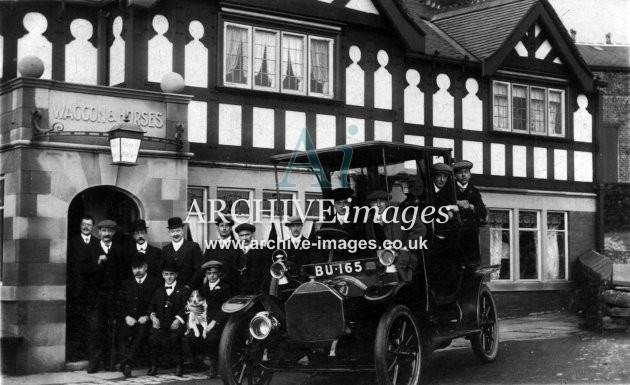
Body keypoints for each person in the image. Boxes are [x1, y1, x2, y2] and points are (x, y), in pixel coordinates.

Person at [183, 260, 232, 379]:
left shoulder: (226, 288)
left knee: (212, 338)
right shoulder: (202, 289)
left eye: (215, 273)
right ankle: (200, 360)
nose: (212, 275)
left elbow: (226, 308)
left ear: (219, 273)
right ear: (206, 274)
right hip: (204, 321)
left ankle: (214, 365)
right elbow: (192, 305)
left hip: (220, 322)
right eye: (209, 273)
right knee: (190, 338)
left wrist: (214, 322)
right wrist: (190, 312)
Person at [364, 190, 426, 282]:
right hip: (382, 258)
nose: (378, 205)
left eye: (381, 201)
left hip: (403, 256)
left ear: (386, 203)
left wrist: (406, 247)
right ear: (370, 205)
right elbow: (371, 241)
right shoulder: (369, 222)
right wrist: (376, 250)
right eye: (374, 202)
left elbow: (420, 228)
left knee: (396, 278)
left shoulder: (400, 214)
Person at [116, 254, 161, 377]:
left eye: (140, 267)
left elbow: (157, 303)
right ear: (131, 269)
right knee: (123, 332)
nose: (138, 271)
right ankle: (125, 361)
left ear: (146, 267)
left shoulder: (155, 282)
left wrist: (147, 316)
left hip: (147, 319)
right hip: (130, 319)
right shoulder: (126, 283)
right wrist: (127, 317)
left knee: (142, 332)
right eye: (135, 268)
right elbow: (120, 304)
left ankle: (127, 363)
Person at [86, 219, 119, 373]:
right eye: (104, 231)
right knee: (96, 329)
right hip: (97, 296)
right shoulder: (91, 248)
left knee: (110, 329)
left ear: (113, 233)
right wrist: (97, 263)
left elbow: (122, 274)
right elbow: (84, 272)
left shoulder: (118, 250)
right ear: (99, 232)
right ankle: (94, 363)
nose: (107, 234)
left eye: (110, 231)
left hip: (112, 296)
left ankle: (108, 363)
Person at [67, 214, 100, 362]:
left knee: (91, 325)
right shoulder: (71, 242)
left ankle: (90, 355)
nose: (86, 227)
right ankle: (75, 355)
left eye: (89, 224)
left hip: (92, 293)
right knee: (75, 324)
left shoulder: (97, 243)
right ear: (80, 226)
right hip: (75, 292)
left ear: (93, 227)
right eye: (84, 224)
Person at [147, 260, 188, 376]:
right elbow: (151, 307)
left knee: (175, 337)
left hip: (175, 323)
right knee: (153, 337)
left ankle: (179, 365)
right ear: (162, 275)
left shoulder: (183, 290)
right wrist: (153, 317)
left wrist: (178, 320)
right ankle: (154, 365)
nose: (169, 277)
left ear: (176, 275)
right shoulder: (159, 291)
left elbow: (186, 307)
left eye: (171, 274)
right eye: (166, 274)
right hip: (161, 323)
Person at [453, 160, 487, 263]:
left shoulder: (474, 191)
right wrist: (457, 202)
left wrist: (471, 207)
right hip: (454, 233)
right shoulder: (450, 189)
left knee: (471, 263)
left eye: (466, 172)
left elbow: (483, 211)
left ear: (470, 175)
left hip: (470, 234)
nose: (463, 175)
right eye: (460, 172)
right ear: (455, 175)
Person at [199, 215, 239, 290]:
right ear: (217, 228)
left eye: (227, 226)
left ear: (230, 228)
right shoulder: (211, 245)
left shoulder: (238, 245)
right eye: (221, 226)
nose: (224, 228)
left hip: (232, 286)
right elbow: (204, 265)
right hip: (212, 286)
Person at [162, 217, 203, 288]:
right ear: (169, 232)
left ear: (182, 231)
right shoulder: (165, 249)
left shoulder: (193, 246)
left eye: (178, 230)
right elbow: (162, 270)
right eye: (172, 231)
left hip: (189, 288)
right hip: (171, 290)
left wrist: (189, 286)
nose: (175, 234)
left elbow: (199, 270)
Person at [234, 223, 271, 295]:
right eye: (241, 235)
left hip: (256, 293)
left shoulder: (262, 251)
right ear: (238, 237)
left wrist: (261, 294)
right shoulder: (235, 252)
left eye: (247, 234)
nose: (244, 238)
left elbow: (266, 276)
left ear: (252, 235)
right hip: (239, 293)